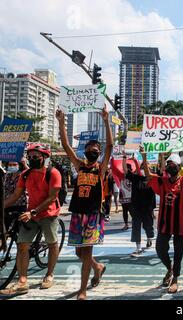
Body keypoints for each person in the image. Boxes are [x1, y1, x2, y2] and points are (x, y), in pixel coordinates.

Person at [56, 107, 112, 300]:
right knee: (80, 252)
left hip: (93, 214)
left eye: (95, 151)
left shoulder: (101, 169)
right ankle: (98, 267)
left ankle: (82, 290)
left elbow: (110, 147)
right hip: (77, 213)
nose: (92, 152)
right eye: (89, 150)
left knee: (86, 251)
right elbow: (65, 145)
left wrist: (106, 121)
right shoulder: (80, 165)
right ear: (85, 151)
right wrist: (61, 122)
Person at [1, 144, 61, 296]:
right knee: (22, 245)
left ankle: (49, 274)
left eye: (36, 157)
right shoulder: (25, 174)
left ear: (44, 157)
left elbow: (52, 197)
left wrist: (33, 211)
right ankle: (22, 281)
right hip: (31, 214)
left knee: (52, 243)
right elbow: (15, 196)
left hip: (49, 213)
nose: (32, 159)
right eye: (30, 156)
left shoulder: (53, 173)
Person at [142, 152, 183, 294]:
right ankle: (170, 268)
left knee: (178, 252)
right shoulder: (163, 182)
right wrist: (144, 157)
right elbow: (149, 175)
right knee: (160, 249)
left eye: (172, 164)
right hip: (164, 223)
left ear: (179, 167)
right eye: (168, 164)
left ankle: (175, 278)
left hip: (180, 224)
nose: (170, 166)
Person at [122, 150, 156, 257]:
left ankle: (149, 238)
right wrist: (124, 157)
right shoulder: (136, 178)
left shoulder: (153, 179)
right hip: (136, 207)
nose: (144, 169)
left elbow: (163, 170)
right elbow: (125, 171)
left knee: (148, 226)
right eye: (142, 167)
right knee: (136, 226)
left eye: (146, 167)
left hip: (148, 208)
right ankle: (138, 247)